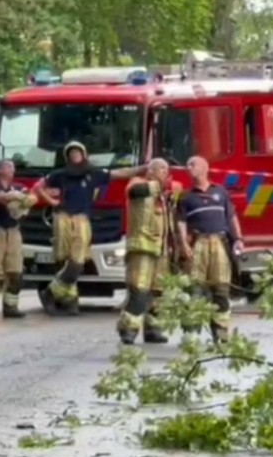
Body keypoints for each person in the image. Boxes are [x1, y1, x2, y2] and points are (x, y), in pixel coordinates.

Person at [33, 142, 147, 316]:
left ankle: (50, 292)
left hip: (81, 220)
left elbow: (120, 174)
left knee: (77, 261)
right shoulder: (59, 175)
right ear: (67, 157)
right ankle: (70, 301)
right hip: (62, 218)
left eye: (78, 153)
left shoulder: (93, 173)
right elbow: (38, 186)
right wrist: (52, 201)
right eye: (71, 154)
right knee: (63, 259)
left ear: (84, 155)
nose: (75, 156)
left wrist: (143, 168)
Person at [176, 156, 243, 342]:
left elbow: (232, 217)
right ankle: (192, 335)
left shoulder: (220, 193)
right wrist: (183, 244)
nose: (188, 168)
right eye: (187, 164)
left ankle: (220, 333)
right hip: (198, 244)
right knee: (195, 289)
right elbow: (181, 222)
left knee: (221, 289)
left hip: (220, 243)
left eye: (192, 164)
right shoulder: (186, 197)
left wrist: (238, 239)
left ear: (205, 168)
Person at [117, 158, 181, 345]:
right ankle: (128, 329)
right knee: (139, 289)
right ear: (150, 172)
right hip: (142, 246)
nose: (165, 172)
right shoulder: (138, 184)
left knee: (159, 292)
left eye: (167, 169)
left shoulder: (164, 194)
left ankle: (153, 329)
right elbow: (136, 193)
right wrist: (160, 186)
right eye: (160, 168)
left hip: (161, 250)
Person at [0, 159, 37, 318]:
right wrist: (15, 196)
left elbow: (32, 196)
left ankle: (10, 307)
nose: (13, 170)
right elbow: (2, 198)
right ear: (1, 170)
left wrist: (27, 200)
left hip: (13, 231)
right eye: (9, 167)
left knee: (16, 272)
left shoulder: (18, 186)